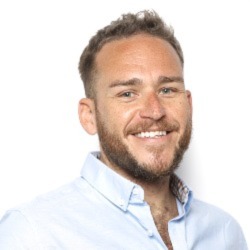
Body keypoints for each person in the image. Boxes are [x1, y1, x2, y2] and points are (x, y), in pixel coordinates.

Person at [0, 10, 247, 250]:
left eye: (167, 90)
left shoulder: (224, 232)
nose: (154, 111)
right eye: (127, 94)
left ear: (189, 104)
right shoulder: (33, 233)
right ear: (89, 116)